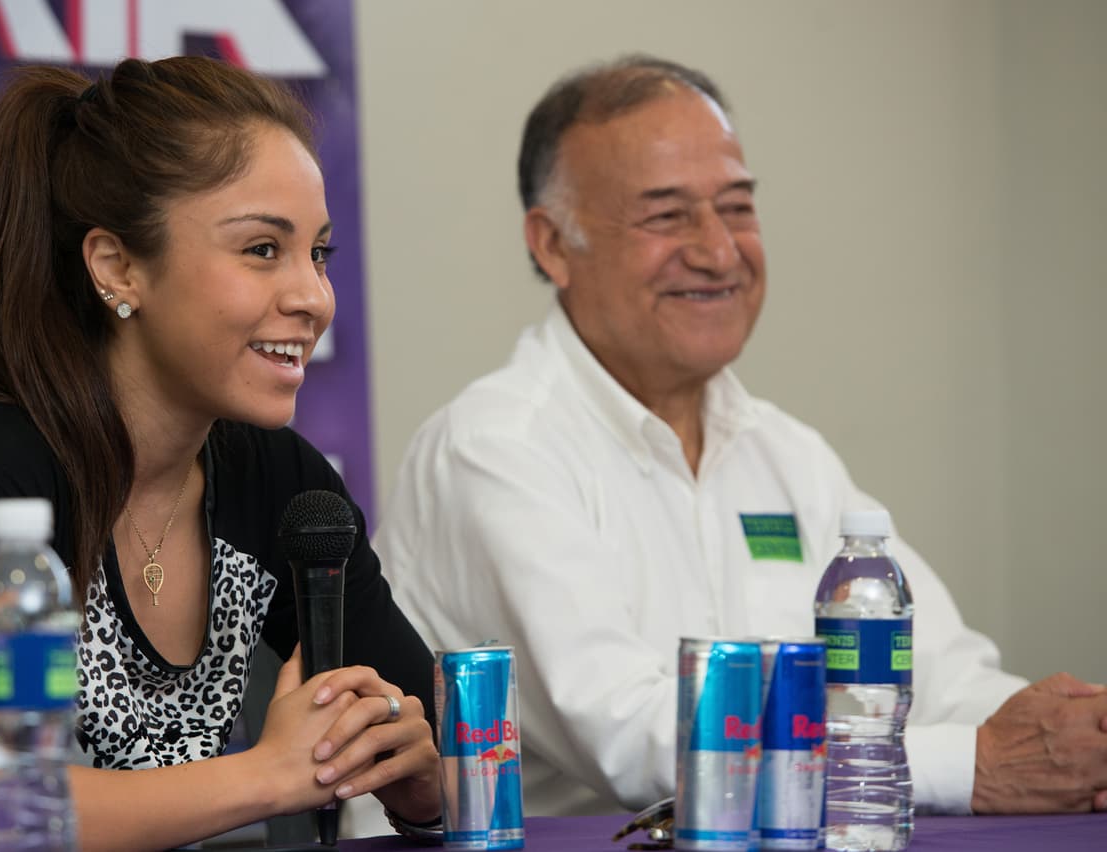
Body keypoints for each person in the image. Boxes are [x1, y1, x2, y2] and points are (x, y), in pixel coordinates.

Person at [375, 55, 1107, 819]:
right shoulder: (495, 449)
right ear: (554, 244)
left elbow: (940, 677)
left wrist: (1074, 735)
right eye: (666, 215)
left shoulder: (785, 454)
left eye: (737, 208)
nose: (720, 251)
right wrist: (976, 765)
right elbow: (637, 739)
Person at [0, 56, 440, 851]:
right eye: (262, 250)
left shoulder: (281, 482)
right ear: (118, 267)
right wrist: (267, 775)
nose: (313, 297)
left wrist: (425, 783)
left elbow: (435, 739)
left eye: (318, 252)